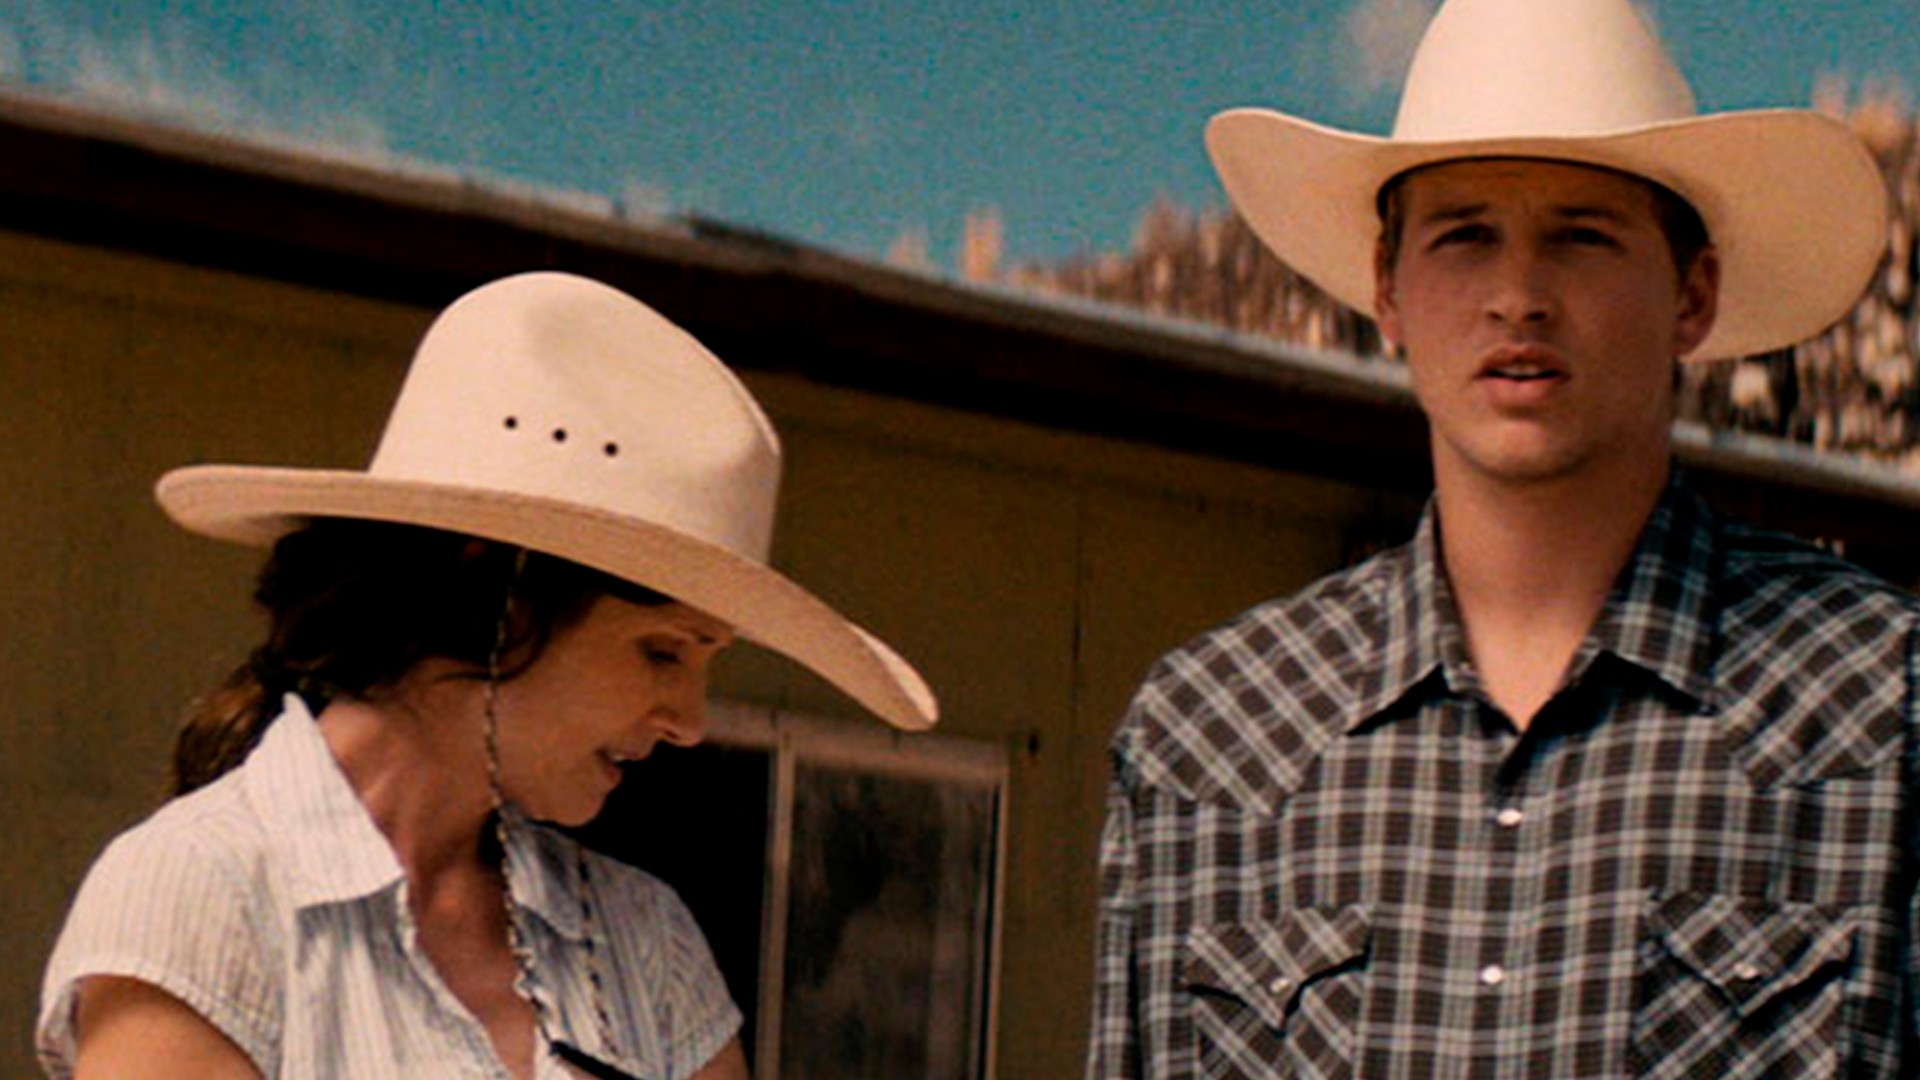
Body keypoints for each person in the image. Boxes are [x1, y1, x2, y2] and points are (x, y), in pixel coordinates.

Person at [1086, 0, 1915, 1076]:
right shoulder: (1207, 741)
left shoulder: (1882, 708)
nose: (1518, 298)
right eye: (1465, 235)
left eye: (1583, 235)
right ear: (1388, 289)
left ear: (1693, 294)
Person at [37, 271, 939, 1080]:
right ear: (493, 594)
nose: (689, 720)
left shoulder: (642, 938)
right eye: (662, 651)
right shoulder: (201, 894)